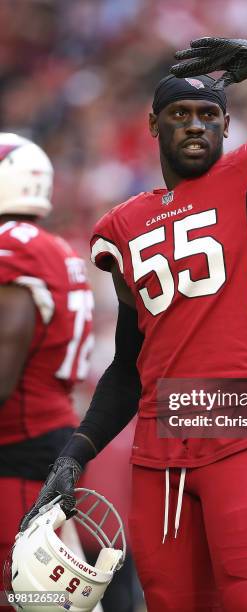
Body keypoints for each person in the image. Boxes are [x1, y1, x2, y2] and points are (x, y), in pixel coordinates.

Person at [20, 37, 247, 611]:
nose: (194, 126)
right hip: (158, 450)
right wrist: (75, 453)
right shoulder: (123, 225)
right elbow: (129, 366)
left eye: (208, 115)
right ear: (153, 124)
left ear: (226, 125)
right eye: (179, 114)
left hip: (244, 434)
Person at [0, 133, 94, 601]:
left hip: (17, 446)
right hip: (50, 435)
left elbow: (2, 367)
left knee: (24, 599)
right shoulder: (55, 247)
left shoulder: (13, 247)